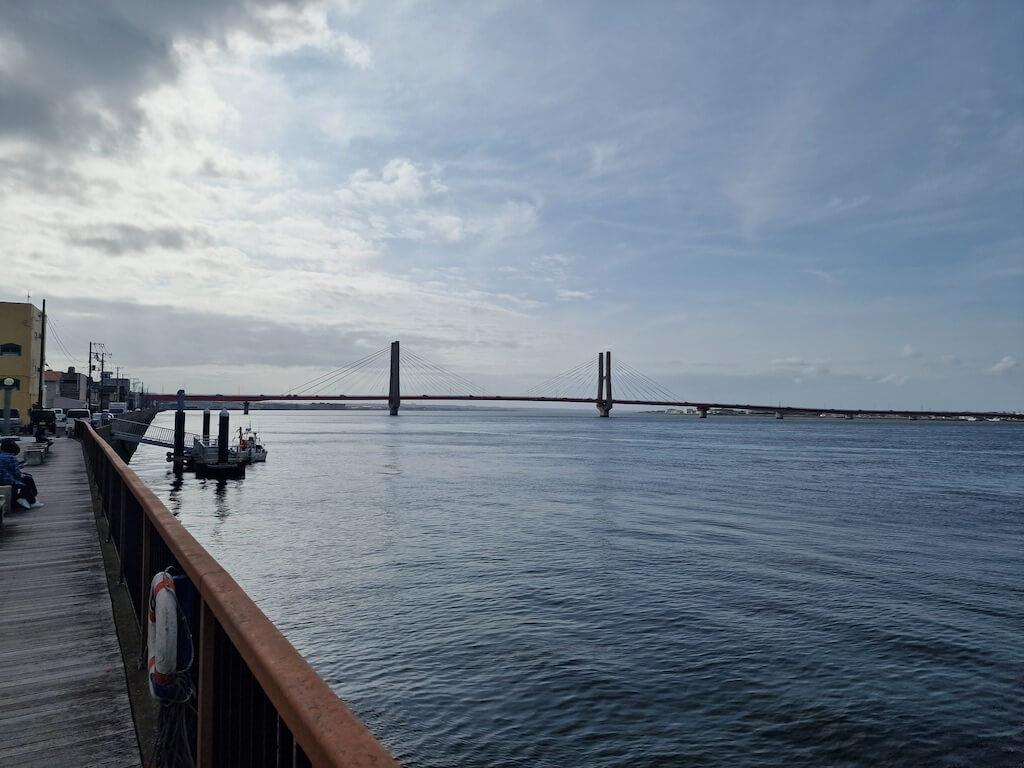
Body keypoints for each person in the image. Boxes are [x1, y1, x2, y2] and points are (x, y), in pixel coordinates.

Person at [0, 438, 44, 509]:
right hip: (6, 480)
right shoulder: (11, 458)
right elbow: (16, 473)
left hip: (2, 478)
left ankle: (30, 500)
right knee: (27, 480)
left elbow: (6, 469)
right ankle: (26, 499)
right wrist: (21, 473)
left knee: (26, 477)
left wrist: (19, 468)